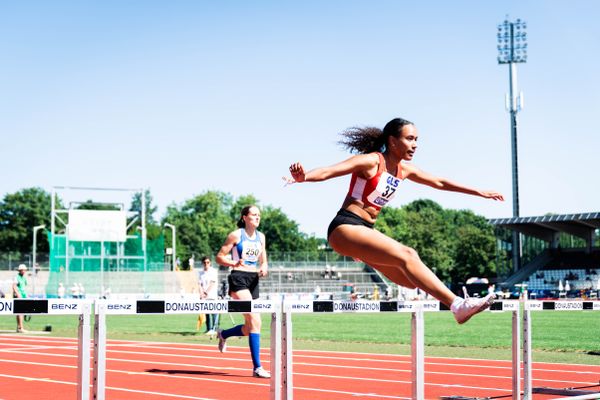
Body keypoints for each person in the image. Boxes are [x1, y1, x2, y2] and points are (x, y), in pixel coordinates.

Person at [285, 118, 504, 324]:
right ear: (392, 141)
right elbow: (328, 171)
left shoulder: (404, 170)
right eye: (409, 139)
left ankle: (365, 254)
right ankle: (458, 305)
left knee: (411, 279)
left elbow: (439, 181)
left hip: (365, 230)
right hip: (345, 226)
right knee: (409, 254)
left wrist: (479, 192)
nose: (415, 145)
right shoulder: (371, 161)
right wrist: (303, 177)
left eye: (417, 140)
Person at [215, 205, 270, 378]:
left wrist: (264, 267)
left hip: (253, 280)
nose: (257, 217)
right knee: (255, 318)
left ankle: (223, 334)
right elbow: (219, 257)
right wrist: (233, 263)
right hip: (238, 278)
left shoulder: (261, 237)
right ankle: (257, 368)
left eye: (259, 215)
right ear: (245, 217)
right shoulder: (236, 235)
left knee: (250, 326)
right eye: (254, 214)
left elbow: (264, 259)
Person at [198, 256, 219, 335]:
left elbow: (212, 283)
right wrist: (201, 293)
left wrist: (206, 293)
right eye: (204, 262)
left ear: (210, 263)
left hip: (212, 295)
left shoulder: (213, 271)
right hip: (204, 297)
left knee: (214, 312)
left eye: (208, 262)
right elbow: (199, 284)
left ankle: (214, 329)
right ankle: (208, 328)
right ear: (202, 263)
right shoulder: (200, 273)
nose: (206, 264)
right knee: (206, 313)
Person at [12, 264, 28, 332]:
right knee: (20, 312)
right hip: (19, 296)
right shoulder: (17, 277)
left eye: (24, 270)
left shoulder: (24, 278)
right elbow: (14, 286)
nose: (24, 271)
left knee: (20, 312)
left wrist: (26, 296)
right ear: (20, 270)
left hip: (23, 296)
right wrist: (18, 295)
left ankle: (19, 327)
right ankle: (20, 328)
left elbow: (24, 287)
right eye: (23, 270)